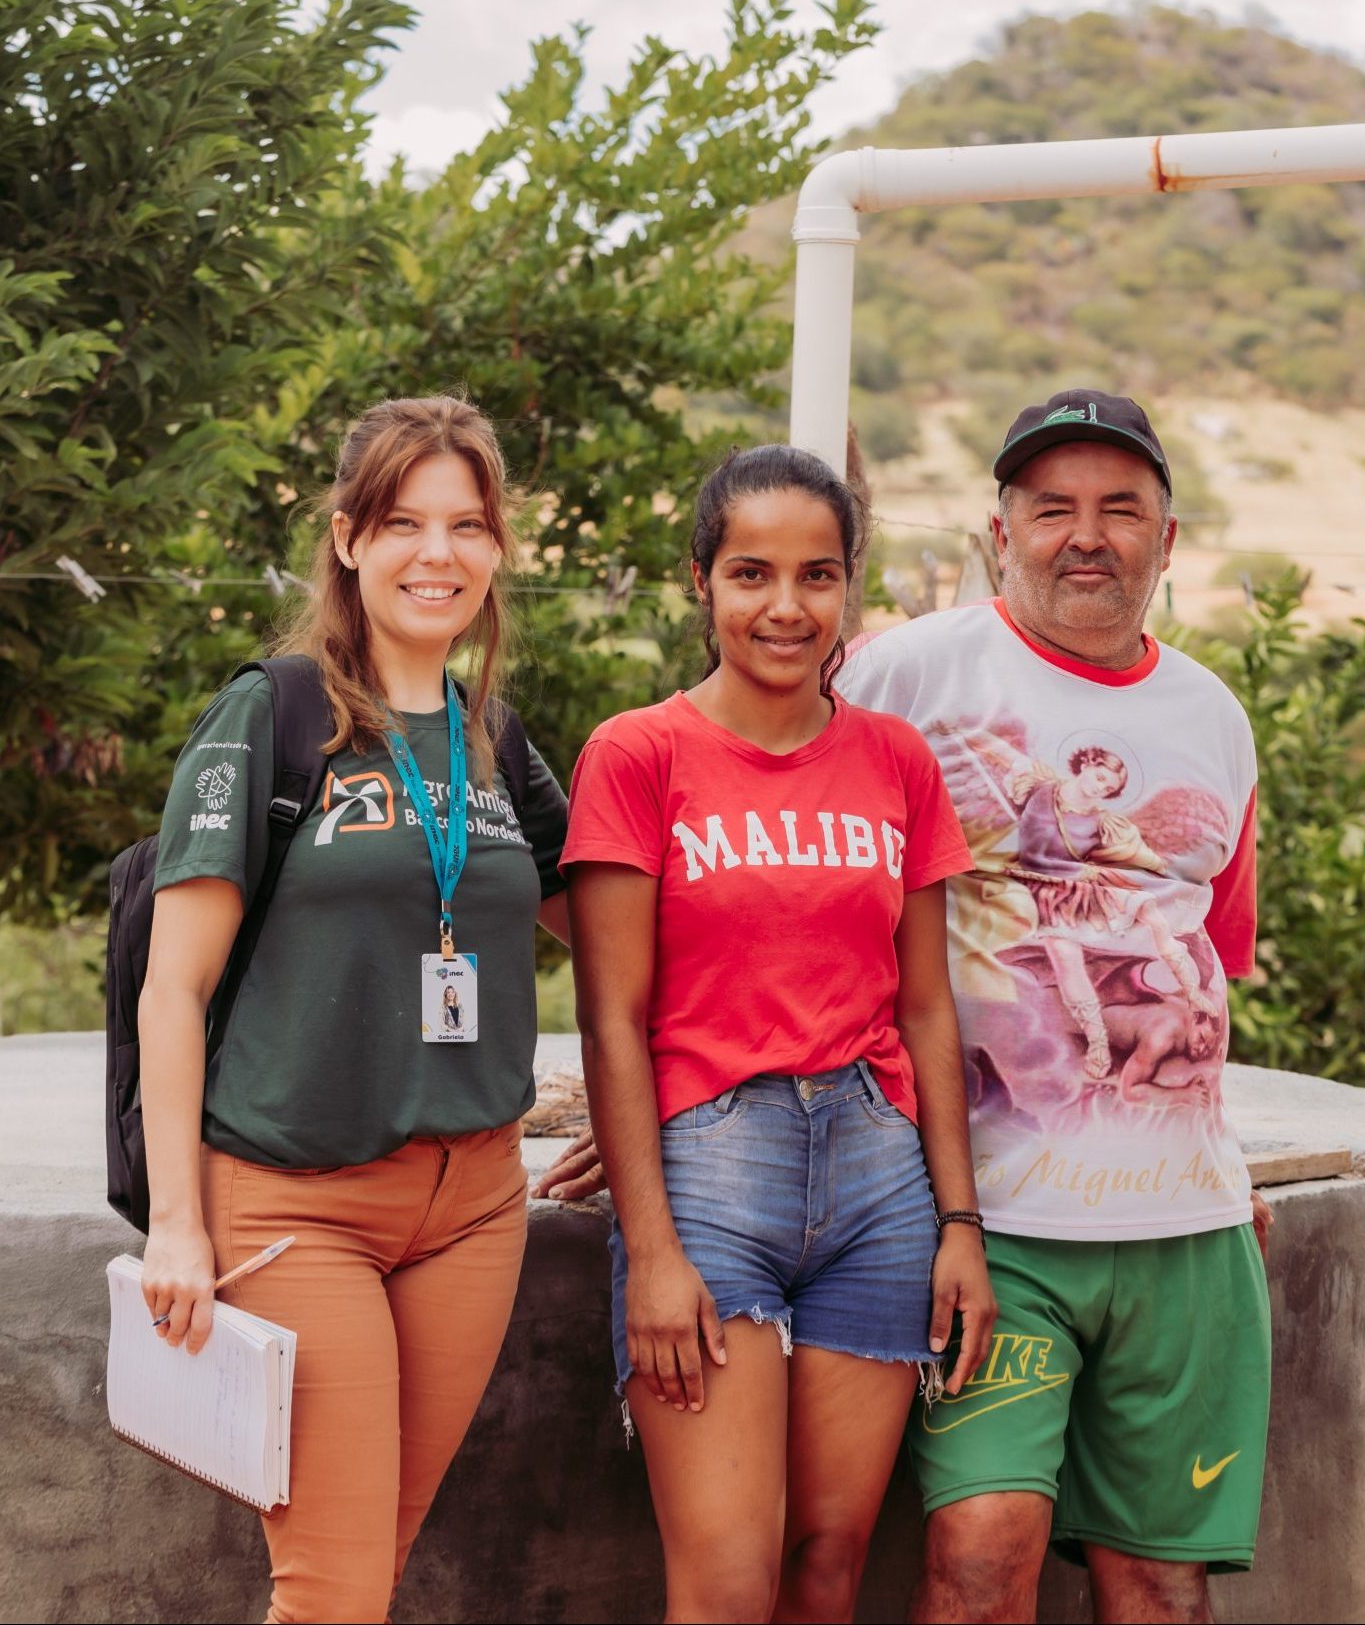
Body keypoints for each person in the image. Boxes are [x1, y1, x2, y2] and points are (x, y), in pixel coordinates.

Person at [837, 389, 1272, 1624]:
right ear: (998, 533)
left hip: (1182, 1233)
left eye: (1120, 510)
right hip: (991, 1220)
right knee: (980, 1556)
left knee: (1160, 1585)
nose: (1086, 536)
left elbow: (1215, 952)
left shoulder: (1213, 716)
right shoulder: (905, 673)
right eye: (1053, 509)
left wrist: (1216, 1152)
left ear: (1168, 541)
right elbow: (814, 887)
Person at [136, 396, 573, 1623]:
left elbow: (611, 924)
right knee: (329, 1591)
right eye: (403, 522)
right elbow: (173, 988)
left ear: (494, 551)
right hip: (295, 1199)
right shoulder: (273, 717)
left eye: (467, 526)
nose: (438, 554)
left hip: (477, 1203)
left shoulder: (494, 739)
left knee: (366, 1568)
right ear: (346, 538)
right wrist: (179, 1224)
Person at [561, 445, 996, 1623]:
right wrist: (648, 1247)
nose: (786, 607)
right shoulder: (637, 754)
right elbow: (613, 1021)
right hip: (710, 1171)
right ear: (700, 581)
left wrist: (959, 1220)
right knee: (725, 1579)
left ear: (849, 586)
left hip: (878, 1177)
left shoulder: (895, 762)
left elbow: (924, 1005)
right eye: (751, 572)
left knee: (825, 1564)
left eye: (818, 575)